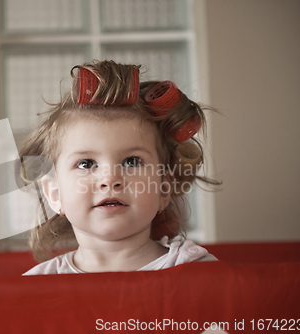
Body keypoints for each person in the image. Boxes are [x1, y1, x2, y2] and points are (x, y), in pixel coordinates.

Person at [19, 60, 220, 276]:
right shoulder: (38, 284)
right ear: (55, 194)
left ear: (163, 188)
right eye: (86, 163)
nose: (110, 178)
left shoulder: (198, 271)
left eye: (131, 161)